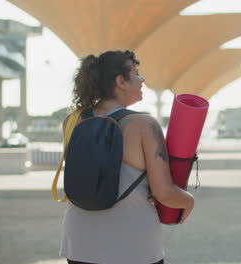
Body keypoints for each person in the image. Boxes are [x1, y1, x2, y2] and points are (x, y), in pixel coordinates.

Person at [59, 50, 194, 264]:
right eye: (137, 74)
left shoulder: (72, 121)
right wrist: (189, 201)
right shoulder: (143, 125)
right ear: (121, 81)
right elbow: (164, 192)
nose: (142, 80)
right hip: (132, 244)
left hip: (80, 242)